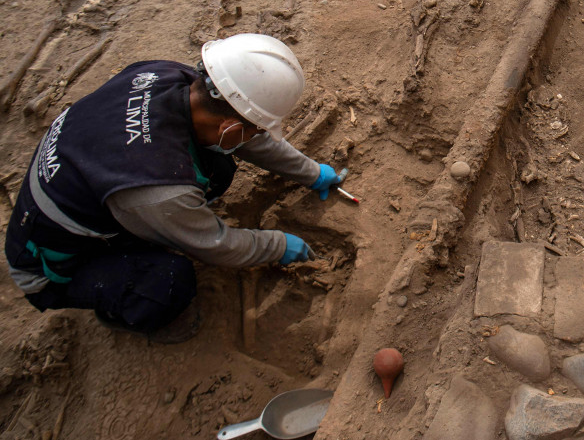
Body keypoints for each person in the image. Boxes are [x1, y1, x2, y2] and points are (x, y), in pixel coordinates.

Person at [4, 33, 345, 343]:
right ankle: (125, 312)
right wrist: (278, 245)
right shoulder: (160, 191)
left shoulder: (169, 76)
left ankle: (143, 230)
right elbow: (217, 246)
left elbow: (244, 133)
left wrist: (312, 173)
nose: (258, 136)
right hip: (50, 262)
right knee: (167, 282)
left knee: (217, 165)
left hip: (92, 182)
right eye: (257, 130)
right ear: (228, 126)